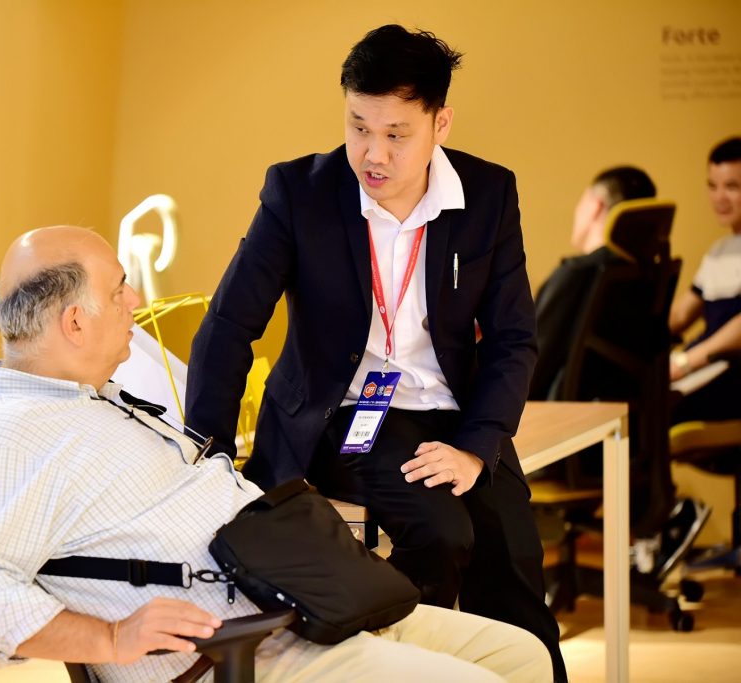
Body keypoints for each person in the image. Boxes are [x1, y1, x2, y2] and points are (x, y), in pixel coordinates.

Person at [0, 225, 553, 683]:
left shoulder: (95, 401)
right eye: (118, 289)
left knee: (522, 657)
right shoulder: (3, 437)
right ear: (74, 323)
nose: (134, 299)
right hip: (243, 651)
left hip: (303, 607)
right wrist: (111, 637)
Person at [185, 25, 566, 681]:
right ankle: (389, 664)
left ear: (440, 123)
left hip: (455, 413)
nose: (373, 153)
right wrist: (210, 457)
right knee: (443, 533)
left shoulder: (487, 195)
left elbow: (512, 338)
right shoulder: (299, 193)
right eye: (358, 127)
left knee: (514, 560)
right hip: (346, 414)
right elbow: (227, 325)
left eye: (396, 134)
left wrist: (477, 447)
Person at [529, 166, 657, 401]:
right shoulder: (646, 274)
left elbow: (529, 364)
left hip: (561, 414)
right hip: (620, 407)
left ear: (595, 206)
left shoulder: (577, 273)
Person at [668, 136, 741, 424]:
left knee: (657, 415)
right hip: (707, 366)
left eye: (732, 187)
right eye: (712, 186)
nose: (719, 198)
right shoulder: (718, 251)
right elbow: (679, 315)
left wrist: (687, 362)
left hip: (731, 373)